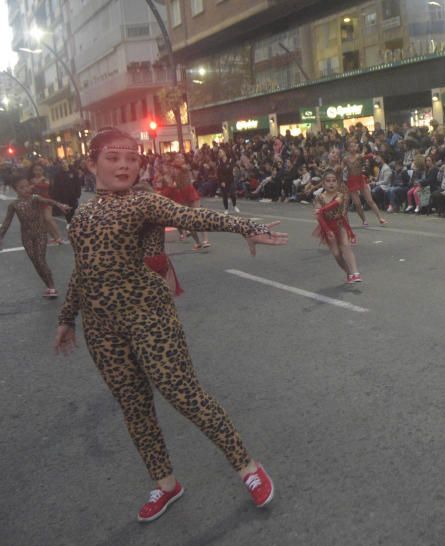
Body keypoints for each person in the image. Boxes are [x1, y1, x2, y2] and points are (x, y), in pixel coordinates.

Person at [52, 129, 288, 522]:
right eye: (113, 158)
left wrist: (246, 227)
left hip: (149, 317)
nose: (124, 165)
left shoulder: (141, 204)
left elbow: (191, 215)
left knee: (185, 395)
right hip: (101, 329)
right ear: (91, 164)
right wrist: (66, 318)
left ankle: (248, 467)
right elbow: (83, 269)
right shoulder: (81, 218)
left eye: (131, 157)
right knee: (134, 405)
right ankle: (165, 484)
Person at [0, 175, 71, 298]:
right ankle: (48, 286)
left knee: (41, 260)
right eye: (22, 187)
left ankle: (52, 287)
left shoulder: (35, 198)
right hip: (26, 237)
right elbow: (6, 222)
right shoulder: (14, 205)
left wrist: (61, 205)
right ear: (16, 189)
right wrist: (1, 236)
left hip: (40, 234)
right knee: (36, 263)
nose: (26, 189)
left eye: (27, 186)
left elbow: (49, 201)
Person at [313, 169, 361, 283]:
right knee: (336, 254)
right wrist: (327, 230)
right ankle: (349, 273)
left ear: (337, 183)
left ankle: (356, 273)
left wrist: (321, 210)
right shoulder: (320, 197)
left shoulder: (341, 195)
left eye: (334, 181)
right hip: (327, 226)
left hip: (340, 224)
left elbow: (337, 206)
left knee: (345, 245)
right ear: (323, 184)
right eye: (328, 181)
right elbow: (318, 216)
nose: (331, 183)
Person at [29, 162, 64, 244]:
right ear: (33, 171)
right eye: (36, 170)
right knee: (43, 221)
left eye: (40, 170)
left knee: (48, 218)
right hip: (37, 201)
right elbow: (29, 190)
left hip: (46, 200)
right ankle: (55, 237)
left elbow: (46, 186)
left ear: (43, 171)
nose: (38, 172)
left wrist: (35, 185)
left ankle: (59, 236)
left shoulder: (45, 179)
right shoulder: (31, 180)